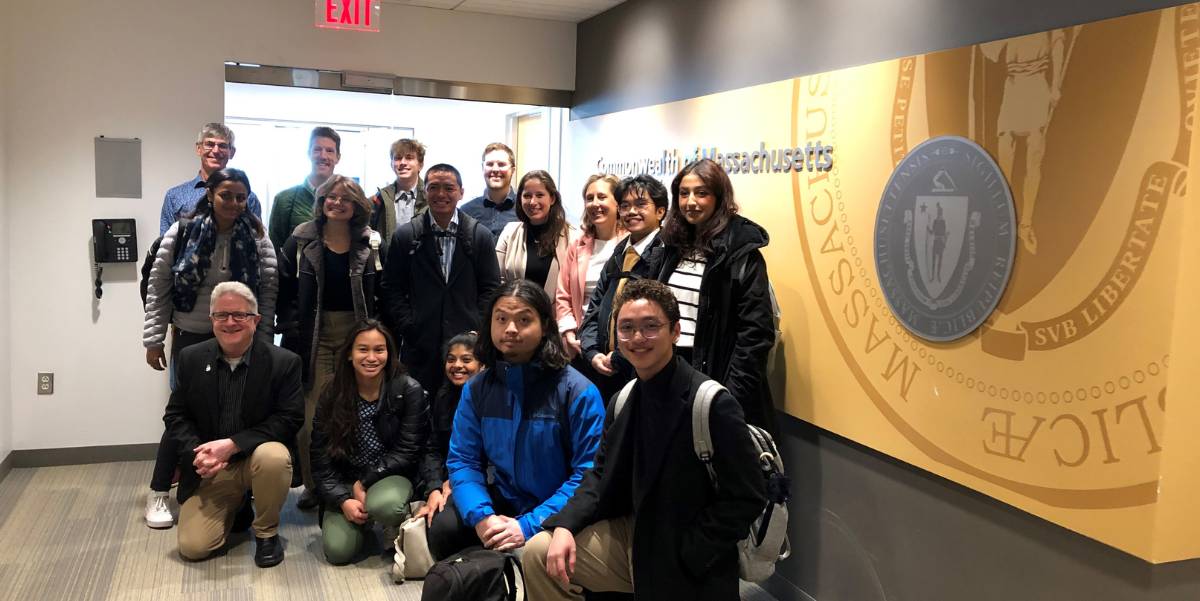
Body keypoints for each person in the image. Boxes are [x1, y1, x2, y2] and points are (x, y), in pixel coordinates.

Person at [523, 279, 767, 600]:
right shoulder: (623, 400)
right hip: (634, 537)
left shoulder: (710, 403)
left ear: (675, 331)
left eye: (651, 326)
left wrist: (691, 552)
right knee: (538, 551)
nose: (637, 338)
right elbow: (598, 476)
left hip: (683, 550)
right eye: (626, 328)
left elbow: (747, 496)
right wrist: (566, 525)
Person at [427, 280, 605, 560]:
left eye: (524, 320)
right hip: (505, 497)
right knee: (444, 529)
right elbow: (463, 460)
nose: (510, 329)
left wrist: (529, 524)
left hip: (557, 505)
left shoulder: (578, 392)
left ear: (545, 325)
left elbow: (587, 474)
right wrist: (482, 517)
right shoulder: (478, 388)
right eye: (501, 319)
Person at [143, 168, 278, 529]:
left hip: (240, 337)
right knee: (183, 414)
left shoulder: (258, 238)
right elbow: (159, 287)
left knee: (235, 412)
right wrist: (153, 339)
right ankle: (159, 491)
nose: (234, 203)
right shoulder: (182, 230)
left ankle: (226, 490)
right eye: (226, 195)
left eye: (240, 197)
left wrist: (263, 344)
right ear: (210, 195)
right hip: (192, 334)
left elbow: (267, 291)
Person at [163, 282, 304, 568]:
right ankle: (238, 506)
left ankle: (266, 533)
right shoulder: (190, 359)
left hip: (257, 459)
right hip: (213, 468)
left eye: (240, 315)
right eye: (221, 315)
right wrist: (197, 452)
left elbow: (289, 419)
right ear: (211, 320)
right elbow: (176, 415)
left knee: (274, 456)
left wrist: (233, 445)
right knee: (193, 547)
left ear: (256, 320)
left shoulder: (284, 362)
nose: (230, 322)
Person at [276, 174, 385, 510]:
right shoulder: (301, 238)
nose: (337, 203)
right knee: (314, 419)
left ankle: (353, 484)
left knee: (357, 414)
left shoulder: (371, 242)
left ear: (357, 205)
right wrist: (292, 323)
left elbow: (383, 289)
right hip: (315, 338)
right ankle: (315, 485)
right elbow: (282, 285)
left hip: (359, 337)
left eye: (345, 198)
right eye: (331, 198)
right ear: (321, 202)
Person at [658, 158, 778, 434]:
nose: (691, 201)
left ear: (719, 197)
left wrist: (728, 396)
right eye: (684, 193)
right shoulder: (671, 246)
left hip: (714, 377)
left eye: (701, 193)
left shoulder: (742, 253)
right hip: (669, 370)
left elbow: (756, 334)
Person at [309, 320, 428, 565]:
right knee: (338, 552)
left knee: (387, 506)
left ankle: (391, 522)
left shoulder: (408, 389)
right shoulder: (332, 392)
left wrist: (365, 482)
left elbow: (408, 451)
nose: (371, 357)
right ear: (350, 355)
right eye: (363, 349)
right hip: (345, 480)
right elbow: (319, 457)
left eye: (379, 349)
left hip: (389, 475)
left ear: (389, 353)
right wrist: (343, 500)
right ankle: (363, 518)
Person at [380, 163, 500, 394]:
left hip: (467, 349)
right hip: (420, 345)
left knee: (465, 408)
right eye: (434, 187)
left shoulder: (480, 236)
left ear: (461, 192)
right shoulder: (406, 236)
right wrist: (409, 325)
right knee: (418, 409)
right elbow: (391, 288)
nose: (441, 194)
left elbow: (491, 289)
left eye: (449, 188)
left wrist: (476, 328)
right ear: (425, 191)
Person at [578, 175, 669, 401]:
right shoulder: (620, 251)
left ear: (660, 211)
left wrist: (619, 357)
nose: (631, 212)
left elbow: (656, 320)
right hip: (603, 368)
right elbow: (595, 307)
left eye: (640, 205)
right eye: (625, 206)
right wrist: (592, 352)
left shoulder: (666, 254)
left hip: (642, 370)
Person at [555, 174, 626, 363]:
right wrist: (569, 331)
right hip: (581, 341)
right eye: (589, 198)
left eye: (602, 197)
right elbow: (563, 295)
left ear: (618, 202)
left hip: (620, 343)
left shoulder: (630, 243)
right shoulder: (578, 245)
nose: (595, 203)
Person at [414, 331, 481, 527]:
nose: (457, 365)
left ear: (482, 364)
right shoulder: (443, 397)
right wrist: (434, 487)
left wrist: (456, 480)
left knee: (445, 525)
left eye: (466, 359)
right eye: (451, 359)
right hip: (445, 477)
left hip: (479, 479)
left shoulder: (493, 400)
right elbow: (432, 448)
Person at [159, 122, 263, 235]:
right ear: (199, 149)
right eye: (209, 144)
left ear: (231, 152)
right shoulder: (174, 196)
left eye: (222, 146)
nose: (216, 150)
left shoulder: (249, 198)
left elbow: (257, 241)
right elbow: (165, 244)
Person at [495, 170, 578, 297]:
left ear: (552, 199)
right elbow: (498, 279)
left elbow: (573, 286)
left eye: (539, 195)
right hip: (515, 311)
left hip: (555, 314)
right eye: (527, 196)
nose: (533, 202)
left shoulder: (571, 237)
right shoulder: (509, 232)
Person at [268, 126, 341, 250]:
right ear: (309, 153)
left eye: (329, 151)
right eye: (317, 149)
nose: (323, 156)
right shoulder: (284, 199)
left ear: (338, 157)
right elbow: (275, 250)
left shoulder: (348, 201)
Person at [370, 137, 428, 250]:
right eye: (397, 158)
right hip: (388, 263)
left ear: (420, 164)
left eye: (409, 158)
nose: (402, 163)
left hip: (422, 264)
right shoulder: (379, 199)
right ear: (391, 164)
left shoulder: (431, 197)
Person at [460, 142, 518, 239]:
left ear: (512, 170)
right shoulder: (466, 211)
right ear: (483, 168)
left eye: (501, 164)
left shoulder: (524, 210)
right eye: (490, 164)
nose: (495, 169)